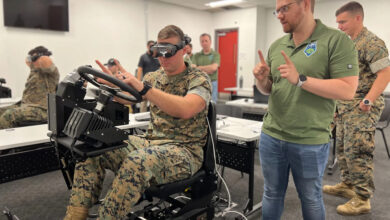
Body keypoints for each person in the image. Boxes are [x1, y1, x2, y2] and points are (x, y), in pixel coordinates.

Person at [63, 25, 212, 220]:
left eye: (169, 51)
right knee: (94, 148)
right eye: (158, 52)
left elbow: (186, 109)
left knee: (138, 162)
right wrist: (113, 85)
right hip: (151, 141)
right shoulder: (154, 77)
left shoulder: (198, 78)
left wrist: (143, 89)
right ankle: (75, 215)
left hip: (185, 151)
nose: (162, 58)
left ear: (184, 50)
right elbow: (130, 98)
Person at [253, 0, 359, 219]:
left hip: (310, 140)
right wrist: (261, 80)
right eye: (277, 10)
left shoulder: (336, 41)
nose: (279, 15)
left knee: (310, 198)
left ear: (306, 4)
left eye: (285, 8)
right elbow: (269, 89)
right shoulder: (277, 45)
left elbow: (348, 90)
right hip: (272, 135)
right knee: (271, 194)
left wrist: (300, 79)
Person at [322, 1, 390, 216]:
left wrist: (368, 100)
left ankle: (362, 198)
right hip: (345, 106)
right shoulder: (350, 42)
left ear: (358, 18)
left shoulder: (371, 42)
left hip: (362, 107)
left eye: (343, 21)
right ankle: (348, 185)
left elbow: (386, 72)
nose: (339, 26)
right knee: (343, 149)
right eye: (338, 22)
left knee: (358, 151)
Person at [0, 46, 59, 129]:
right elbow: (29, 62)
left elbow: (47, 63)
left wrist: (40, 56)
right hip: (27, 105)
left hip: (42, 109)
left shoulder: (51, 71)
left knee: (9, 115)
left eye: (34, 58)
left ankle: (6, 140)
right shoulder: (35, 71)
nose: (31, 60)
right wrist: (32, 58)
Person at [192, 33, 220, 102]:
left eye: (206, 41)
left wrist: (199, 67)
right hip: (200, 83)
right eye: (202, 41)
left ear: (210, 42)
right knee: (200, 104)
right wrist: (208, 68)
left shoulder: (216, 55)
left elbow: (213, 68)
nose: (204, 43)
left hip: (212, 83)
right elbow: (193, 69)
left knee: (212, 104)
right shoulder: (196, 55)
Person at [137, 40, 161, 112]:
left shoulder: (157, 57)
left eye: (153, 46)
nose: (152, 48)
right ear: (147, 46)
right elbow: (139, 70)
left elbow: (161, 68)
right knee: (143, 102)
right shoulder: (143, 57)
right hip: (146, 82)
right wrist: (138, 82)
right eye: (150, 46)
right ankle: (141, 114)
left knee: (155, 101)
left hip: (156, 82)